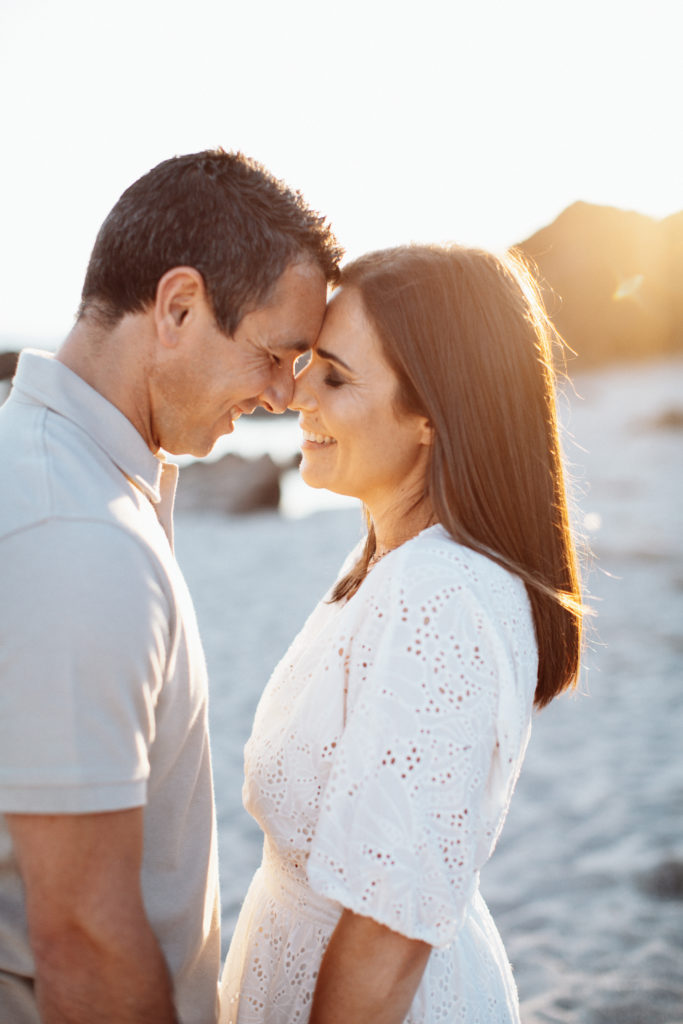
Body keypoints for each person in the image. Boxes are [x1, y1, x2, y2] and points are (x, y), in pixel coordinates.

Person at [0, 149, 341, 1024]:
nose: (279, 394)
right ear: (178, 307)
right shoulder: (75, 533)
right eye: (274, 353)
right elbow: (84, 936)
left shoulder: (72, 480)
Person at [219, 244, 584, 1023]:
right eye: (308, 360)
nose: (294, 392)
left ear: (430, 413)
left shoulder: (438, 596)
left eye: (335, 376)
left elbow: (386, 942)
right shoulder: (388, 560)